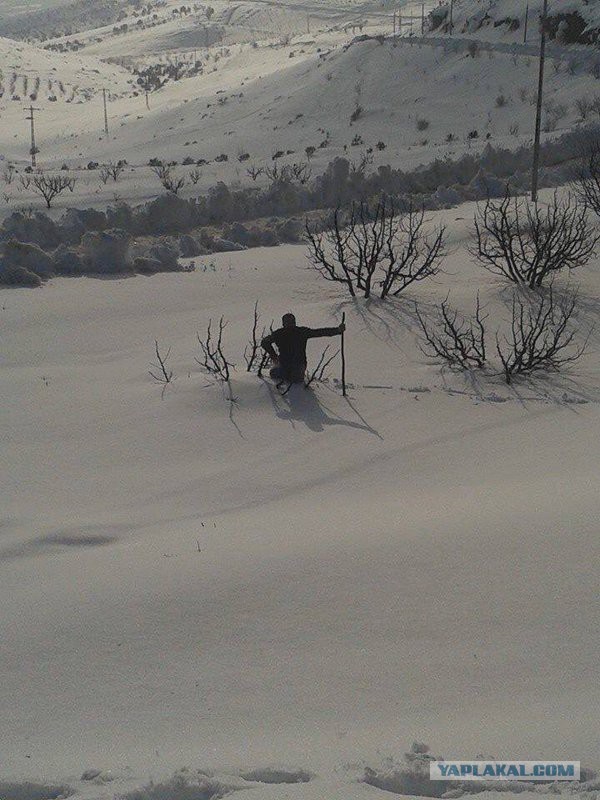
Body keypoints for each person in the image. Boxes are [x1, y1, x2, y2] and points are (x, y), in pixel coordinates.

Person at [261, 313, 345, 384]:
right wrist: (337, 330)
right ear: (294, 322)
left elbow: (264, 342)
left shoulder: (278, 333)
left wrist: (273, 355)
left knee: (273, 373)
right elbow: (319, 332)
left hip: (284, 368)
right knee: (293, 379)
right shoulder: (302, 332)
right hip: (299, 369)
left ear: (283, 323)